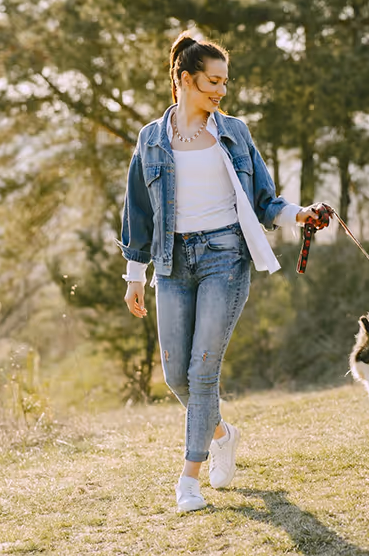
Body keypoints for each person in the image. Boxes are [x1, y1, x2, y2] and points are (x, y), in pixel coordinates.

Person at [118, 31, 325, 512]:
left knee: (202, 371)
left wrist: (300, 214)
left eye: (225, 82)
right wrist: (134, 274)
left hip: (225, 258)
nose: (221, 91)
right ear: (185, 79)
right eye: (213, 81)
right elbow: (138, 213)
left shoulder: (234, 133)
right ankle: (221, 433)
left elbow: (264, 201)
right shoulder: (151, 139)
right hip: (171, 263)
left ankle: (187, 480)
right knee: (175, 376)